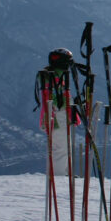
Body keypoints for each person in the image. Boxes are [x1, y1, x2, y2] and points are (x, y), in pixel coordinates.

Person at [39, 49, 81, 177]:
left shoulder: (52, 75)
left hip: (57, 114)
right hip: (57, 115)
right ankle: (59, 176)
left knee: (64, 146)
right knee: (61, 148)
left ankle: (64, 174)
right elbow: (56, 99)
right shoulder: (55, 77)